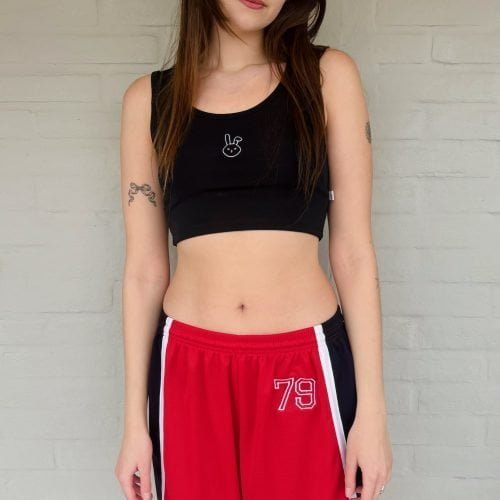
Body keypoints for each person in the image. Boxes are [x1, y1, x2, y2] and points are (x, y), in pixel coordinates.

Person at [114, 0, 392, 499]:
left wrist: (372, 414)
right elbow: (144, 271)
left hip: (302, 360)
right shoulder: (150, 101)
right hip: (188, 368)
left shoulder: (326, 78)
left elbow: (353, 252)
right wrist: (134, 421)